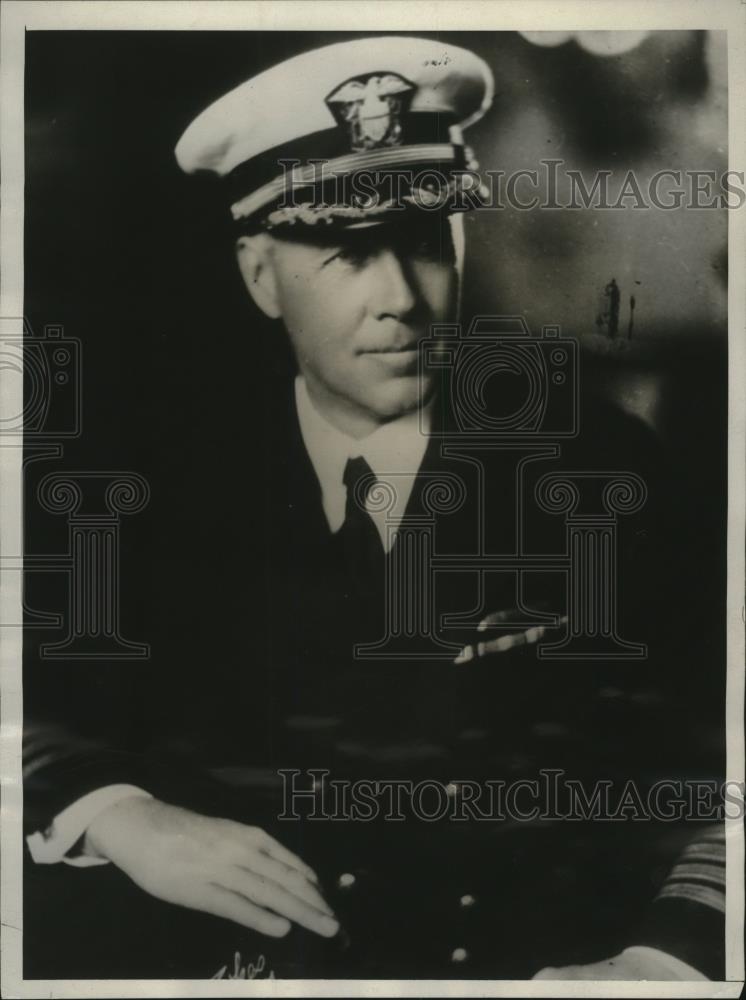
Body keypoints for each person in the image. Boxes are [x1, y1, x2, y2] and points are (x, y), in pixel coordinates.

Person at [23, 35, 724, 980]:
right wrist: (118, 811)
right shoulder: (165, 480)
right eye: (348, 254)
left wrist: (668, 960)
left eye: (426, 242)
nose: (400, 297)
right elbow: (39, 698)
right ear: (259, 274)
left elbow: (714, 751)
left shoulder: (597, 466)